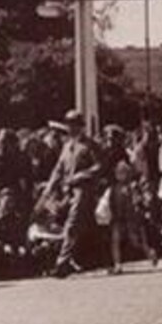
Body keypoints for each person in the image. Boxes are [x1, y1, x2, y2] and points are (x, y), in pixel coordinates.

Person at [41, 110, 102, 278]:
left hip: (84, 190)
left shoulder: (90, 145)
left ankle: (62, 263)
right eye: (69, 124)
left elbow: (99, 167)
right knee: (88, 227)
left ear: (80, 126)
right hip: (69, 191)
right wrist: (49, 189)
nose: (71, 128)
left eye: (74, 124)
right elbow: (58, 170)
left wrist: (80, 175)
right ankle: (101, 258)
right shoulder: (67, 146)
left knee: (72, 225)